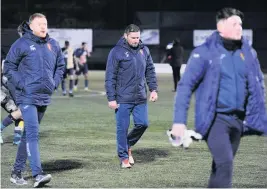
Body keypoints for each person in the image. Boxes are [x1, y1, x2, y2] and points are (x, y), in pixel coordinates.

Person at [169, 8, 267, 188]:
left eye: (240, 24)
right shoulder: (204, 52)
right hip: (216, 120)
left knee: (220, 166)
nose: (239, 28)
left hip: (239, 121)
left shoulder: (248, 53)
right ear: (220, 26)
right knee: (226, 163)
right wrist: (179, 121)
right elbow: (185, 86)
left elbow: (258, 85)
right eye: (234, 24)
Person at [3, 13, 65, 187]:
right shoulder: (22, 43)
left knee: (27, 136)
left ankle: (16, 173)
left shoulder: (53, 44)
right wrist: (22, 83)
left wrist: (54, 82)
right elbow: (8, 66)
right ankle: (38, 174)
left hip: (44, 96)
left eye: (45, 23)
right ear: (31, 26)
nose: (43, 27)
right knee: (32, 135)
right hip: (27, 96)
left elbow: (60, 65)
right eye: (39, 24)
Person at [105, 24, 158, 168]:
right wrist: (111, 98)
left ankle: (127, 144)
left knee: (143, 123)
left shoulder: (144, 50)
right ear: (125, 36)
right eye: (133, 38)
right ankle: (124, 158)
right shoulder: (116, 52)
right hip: (122, 98)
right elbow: (110, 76)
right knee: (122, 128)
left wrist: (153, 89)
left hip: (140, 96)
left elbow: (150, 70)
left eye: (138, 38)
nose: (136, 40)